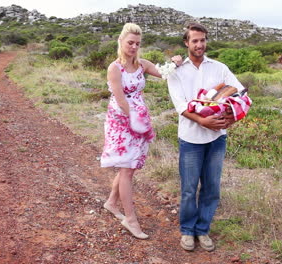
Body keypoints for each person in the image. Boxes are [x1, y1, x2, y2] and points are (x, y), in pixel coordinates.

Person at [167, 22, 245, 251]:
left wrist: (231, 117)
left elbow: (238, 91)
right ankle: (188, 231)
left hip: (216, 138)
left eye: (202, 40)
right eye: (194, 41)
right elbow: (180, 104)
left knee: (212, 187)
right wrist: (202, 120)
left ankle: (203, 230)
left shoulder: (219, 68)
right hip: (191, 138)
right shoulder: (177, 71)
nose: (199, 44)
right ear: (186, 43)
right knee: (190, 188)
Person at [100, 23, 162, 239]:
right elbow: (120, 99)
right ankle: (130, 219)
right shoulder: (114, 68)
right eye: (130, 43)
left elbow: (165, 73)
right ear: (121, 41)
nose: (134, 47)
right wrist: (135, 121)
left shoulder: (143, 65)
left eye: (137, 43)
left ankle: (111, 202)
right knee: (127, 168)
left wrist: (176, 64)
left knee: (131, 167)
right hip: (122, 121)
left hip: (139, 119)